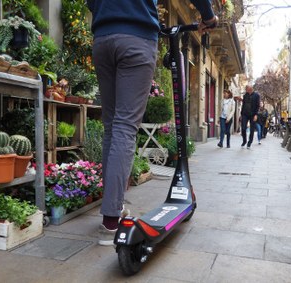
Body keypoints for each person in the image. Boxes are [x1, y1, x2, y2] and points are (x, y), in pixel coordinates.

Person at [86, 0, 217, 246]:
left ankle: (112, 208)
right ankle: (111, 219)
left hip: (103, 38)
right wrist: (208, 16)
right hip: (136, 38)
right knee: (124, 126)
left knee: (112, 126)